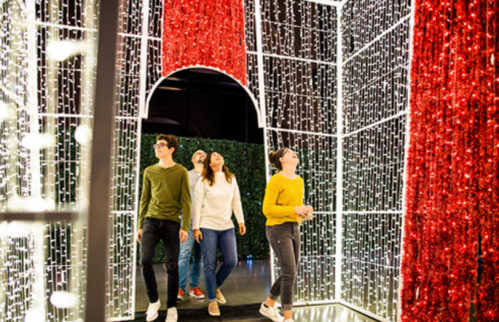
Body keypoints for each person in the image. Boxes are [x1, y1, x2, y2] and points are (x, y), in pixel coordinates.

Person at [136, 134, 191, 322]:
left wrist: (185, 226)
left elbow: (186, 200)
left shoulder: (181, 171)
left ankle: (172, 307)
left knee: (172, 265)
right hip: (150, 220)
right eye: (156, 145)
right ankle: (154, 301)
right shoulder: (150, 171)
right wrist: (140, 225)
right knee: (144, 260)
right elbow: (144, 199)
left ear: (171, 149)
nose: (157, 147)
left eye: (161, 145)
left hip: (172, 223)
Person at [259, 148, 314, 322]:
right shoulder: (276, 180)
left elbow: (296, 206)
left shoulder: (299, 181)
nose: (294, 152)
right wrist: (295, 209)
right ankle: (288, 318)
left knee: (290, 271)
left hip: (294, 227)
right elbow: (267, 209)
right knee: (290, 272)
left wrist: (305, 210)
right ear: (282, 159)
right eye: (290, 152)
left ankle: (268, 306)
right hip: (277, 228)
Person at [192, 152, 246, 317]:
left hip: (227, 226)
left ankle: (215, 285)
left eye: (219, 154)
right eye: (213, 155)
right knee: (209, 264)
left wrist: (240, 221)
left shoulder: (231, 179)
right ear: (209, 163)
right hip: (207, 226)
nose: (217, 156)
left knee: (231, 261)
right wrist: (196, 227)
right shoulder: (204, 181)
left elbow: (236, 201)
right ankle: (213, 300)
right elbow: (196, 205)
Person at [177, 150, 207, 301]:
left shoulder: (211, 177)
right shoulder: (186, 175)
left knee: (199, 257)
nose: (201, 155)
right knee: (184, 255)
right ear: (193, 159)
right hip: (188, 221)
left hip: (205, 222)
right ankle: (179, 288)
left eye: (204, 154)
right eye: (198, 153)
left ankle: (194, 286)